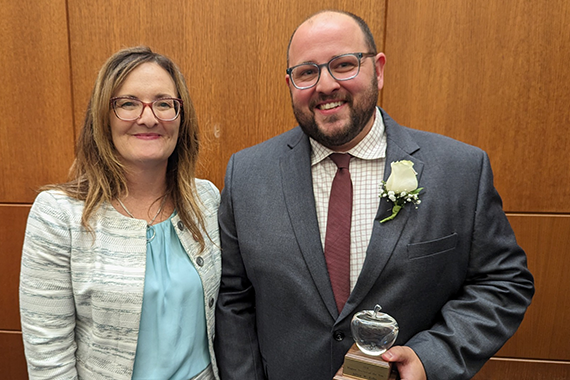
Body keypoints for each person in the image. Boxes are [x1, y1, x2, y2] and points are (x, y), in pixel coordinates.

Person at [214, 10, 534, 380]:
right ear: (290, 84)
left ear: (378, 69)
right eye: (306, 72)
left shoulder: (460, 170)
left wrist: (431, 358)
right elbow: (234, 299)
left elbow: (504, 283)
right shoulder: (247, 174)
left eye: (344, 64)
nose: (325, 85)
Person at [19, 46, 220, 380]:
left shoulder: (206, 200)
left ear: (181, 118)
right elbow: (48, 356)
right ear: (103, 117)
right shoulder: (59, 215)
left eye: (164, 103)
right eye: (127, 103)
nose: (148, 117)